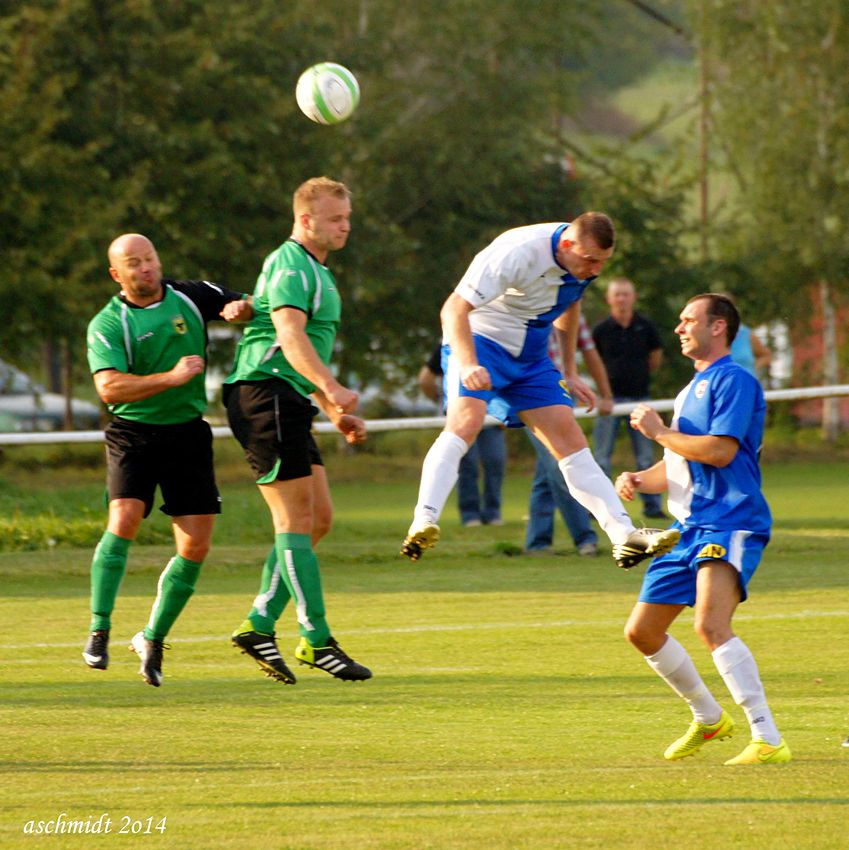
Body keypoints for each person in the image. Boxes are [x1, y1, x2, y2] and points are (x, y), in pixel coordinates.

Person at [400, 214, 680, 570]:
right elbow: (453, 308)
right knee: (466, 422)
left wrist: (569, 370)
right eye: (590, 261)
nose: (595, 271)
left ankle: (625, 536)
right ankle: (423, 520)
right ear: (566, 245)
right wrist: (469, 364)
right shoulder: (516, 252)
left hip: (531, 353)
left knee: (570, 439)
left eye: (602, 263)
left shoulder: (581, 263)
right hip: (480, 340)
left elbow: (570, 304)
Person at [617, 292, 791, 765]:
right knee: (642, 632)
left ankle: (768, 738)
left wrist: (657, 432)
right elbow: (682, 460)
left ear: (718, 328)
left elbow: (719, 452)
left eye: (688, 319)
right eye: (679, 320)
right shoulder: (692, 388)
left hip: (730, 517)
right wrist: (639, 478)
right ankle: (709, 718)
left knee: (711, 625)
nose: (678, 328)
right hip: (690, 525)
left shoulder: (734, 379)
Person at [83, 233, 253, 687]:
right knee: (124, 519)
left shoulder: (191, 296)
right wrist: (172, 377)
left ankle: (152, 637)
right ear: (116, 274)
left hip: (187, 434)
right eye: (134, 263)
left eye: (150, 258)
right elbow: (109, 388)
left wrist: (243, 309)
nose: (146, 268)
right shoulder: (107, 322)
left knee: (196, 545)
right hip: (132, 432)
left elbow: (250, 303)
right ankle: (100, 627)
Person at [224, 176, 371, 685]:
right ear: (306, 221)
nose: (344, 226)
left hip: (285, 398)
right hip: (263, 394)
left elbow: (298, 348)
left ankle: (259, 623)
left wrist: (334, 409)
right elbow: (287, 336)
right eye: (335, 218)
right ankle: (316, 639)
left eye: (347, 218)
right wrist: (332, 386)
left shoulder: (317, 271)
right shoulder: (291, 263)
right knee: (294, 520)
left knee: (318, 520)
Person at [524, 314, 613, 556]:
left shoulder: (570, 312)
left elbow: (589, 351)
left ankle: (537, 542)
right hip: (531, 396)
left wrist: (606, 394)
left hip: (561, 396)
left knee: (547, 473)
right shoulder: (522, 309)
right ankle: (585, 538)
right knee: (560, 467)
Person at [592, 277, 667, 519]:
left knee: (645, 455)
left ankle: (652, 506)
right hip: (609, 403)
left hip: (639, 400)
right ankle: (599, 507)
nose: (622, 299)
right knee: (601, 456)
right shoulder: (601, 331)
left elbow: (655, 358)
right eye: (617, 295)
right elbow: (594, 361)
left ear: (633, 297)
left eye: (626, 294)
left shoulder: (646, 327)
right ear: (609, 299)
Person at [419, 343, 507, 526]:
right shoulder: (450, 344)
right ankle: (470, 514)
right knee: (468, 465)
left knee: (495, 462)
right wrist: (441, 401)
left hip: (492, 414)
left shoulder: (496, 342)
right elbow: (425, 379)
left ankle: (493, 513)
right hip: (462, 413)